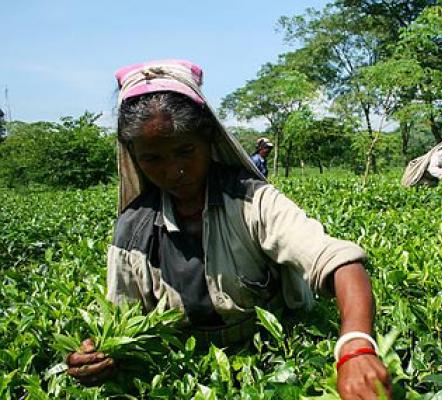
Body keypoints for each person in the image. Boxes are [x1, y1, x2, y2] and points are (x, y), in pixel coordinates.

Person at [65, 60, 391, 399]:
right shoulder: (132, 230)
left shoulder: (251, 201)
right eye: (153, 159)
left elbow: (340, 262)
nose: (173, 170)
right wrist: (98, 357)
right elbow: (124, 328)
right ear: (134, 157)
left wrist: (356, 346)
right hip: (188, 371)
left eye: (185, 151)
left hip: (278, 355)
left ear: (208, 138)